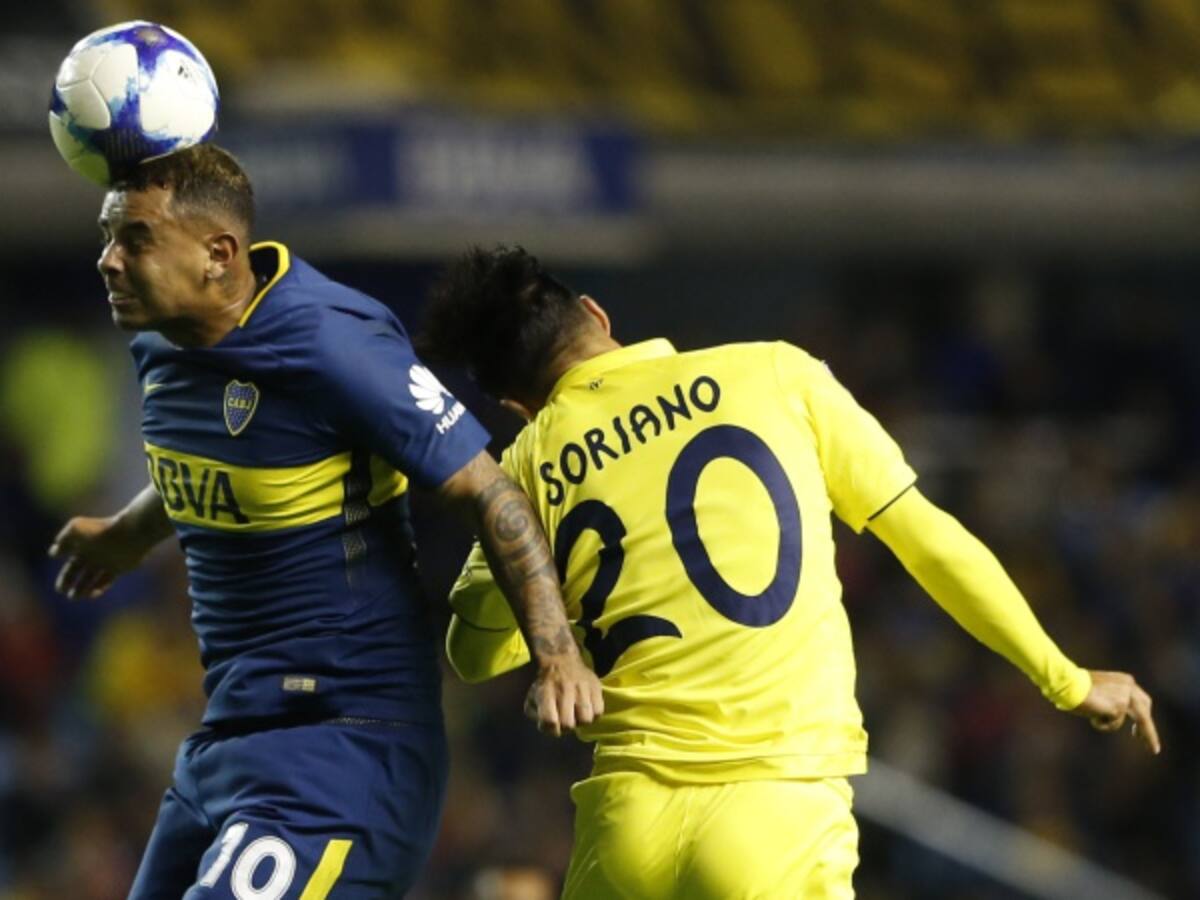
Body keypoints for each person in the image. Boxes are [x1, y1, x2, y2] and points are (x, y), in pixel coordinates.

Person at [417, 245, 1161, 900]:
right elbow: (928, 541)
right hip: (775, 811)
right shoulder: (775, 372)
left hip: (625, 824)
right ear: (595, 313)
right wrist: (1066, 677)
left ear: (515, 402)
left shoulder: (527, 465)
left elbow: (473, 654)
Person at [48, 147, 602, 899]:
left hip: (345, 746)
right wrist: (128, 531)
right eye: (109, 237)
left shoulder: (333, 343)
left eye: (136, 238)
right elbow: (227, 464)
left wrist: (556, 654)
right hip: (225, 742)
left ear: (219, 254)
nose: (110, 261)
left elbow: (491, 491)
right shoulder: (160, 340)